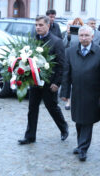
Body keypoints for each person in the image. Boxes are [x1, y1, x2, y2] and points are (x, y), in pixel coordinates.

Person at [60, 25, 100, 162]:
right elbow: (66, 74)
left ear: (92, 37)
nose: (84, 38)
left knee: (87, 121)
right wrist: (65, 92)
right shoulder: (70, 51)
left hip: (93, 93)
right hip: (77, 92)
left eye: (87, 35)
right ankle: (80, 144)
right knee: (78, 120)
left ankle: (83, 148)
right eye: (81, 35)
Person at [18, 15, 69, 145]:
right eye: (36, 25)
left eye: (41, 25)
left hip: (50, 83)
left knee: (52, 107)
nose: (38, 27)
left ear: (48, 25)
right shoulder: (32, 40)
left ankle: (64, 128)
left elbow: (61, 65)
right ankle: (30, 136)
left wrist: (57, 83)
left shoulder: (56, 42)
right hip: (35, 82)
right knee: (32, 108)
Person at [63, 17, 84, 110]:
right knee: (69, 79)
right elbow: (63, 44)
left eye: (79, 24)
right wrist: (68, 34)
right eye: (75, 24)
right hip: (70, 58)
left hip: (81, 58)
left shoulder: (83, 34)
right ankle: (68, 101)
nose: (77, 25)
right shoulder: (69, 33)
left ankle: (78, 100)